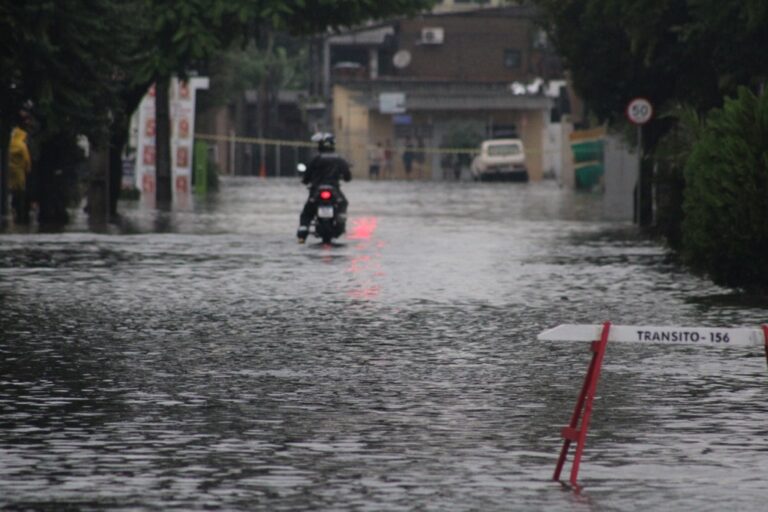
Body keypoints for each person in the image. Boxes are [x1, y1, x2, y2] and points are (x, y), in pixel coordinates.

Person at [297, 132, 351, 242]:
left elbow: (306, 176)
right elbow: (348, 176)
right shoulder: (339, 159)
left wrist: (305, 180)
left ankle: (302, 234)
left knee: (307, 212)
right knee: (343, 202)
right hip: (334, 190)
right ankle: (341, 221)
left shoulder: (315, 159)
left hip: (316, 190)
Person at [8, 124, 32, 223]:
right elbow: (27, 159)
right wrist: (28, 169)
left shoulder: (9, 143)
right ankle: (19, 211)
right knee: (20, 190)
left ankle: (12, 207)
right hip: (19, 171)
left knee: (11, 189)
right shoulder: (22, 145)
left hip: (9, 171)